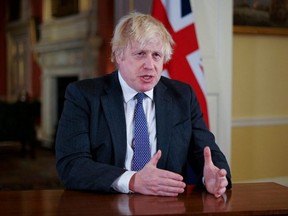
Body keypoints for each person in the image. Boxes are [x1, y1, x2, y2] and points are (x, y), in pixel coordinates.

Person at [55, 12, 232, 197]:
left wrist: (213, 177)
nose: (150, 65)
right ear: (118, 56)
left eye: (156, 55)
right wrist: (132, 180)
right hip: (105, 204)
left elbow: (207, 153)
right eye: (140, 54)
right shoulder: (83, 95)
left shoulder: (182, 96)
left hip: (167, 206)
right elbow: (71, 165)